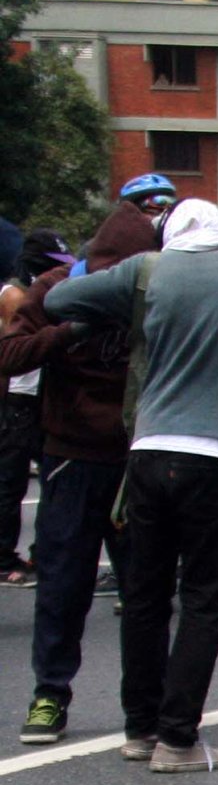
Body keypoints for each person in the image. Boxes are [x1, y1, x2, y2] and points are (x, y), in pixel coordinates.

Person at [41, 201, 218, 772]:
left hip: (147, 453)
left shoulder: (148, 270)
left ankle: (140, 729)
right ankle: (178, 740)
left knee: (145, 597)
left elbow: (58, 302)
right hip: (216, 454)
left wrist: (124, 310)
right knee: (202, 600)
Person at [2, 194, 161, 745]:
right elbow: (11, 354)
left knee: (145, 590)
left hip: (135, 457)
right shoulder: (54, 289)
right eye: (102, 275)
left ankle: (147, 707)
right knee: (63, 584)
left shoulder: (160, 289)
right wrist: (68, 332)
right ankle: (50, 694)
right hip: (70, 455)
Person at [0, 228, 72, 588]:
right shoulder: (15, 295)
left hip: (40, 395)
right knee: (10, 480)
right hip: (20, 398)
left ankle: (42, 552)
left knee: (54, 479)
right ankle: (4, 558)